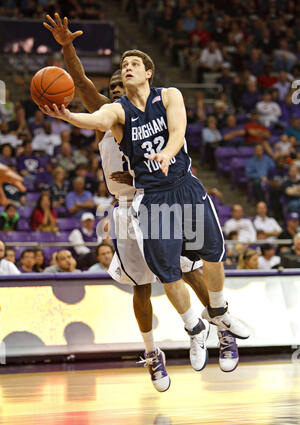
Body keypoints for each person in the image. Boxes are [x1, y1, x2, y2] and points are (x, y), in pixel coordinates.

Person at [42, 17, 243, 388]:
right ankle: (153, 352)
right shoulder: (109, 115)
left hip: (164, 192)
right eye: (115, 82)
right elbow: (82, 82)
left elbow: (178, 133)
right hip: (128, 208)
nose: (122, 83)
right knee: (141, 285)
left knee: (190, 267)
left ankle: (217, 323)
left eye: (128, 76)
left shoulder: (162, 103)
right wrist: (67, 47)